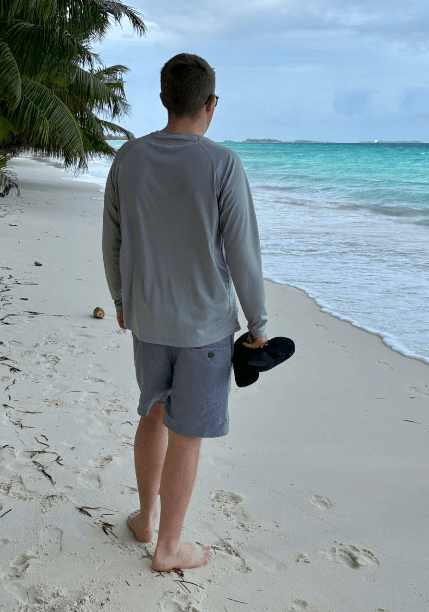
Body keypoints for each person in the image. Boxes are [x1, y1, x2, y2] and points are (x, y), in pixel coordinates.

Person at [102, 53, 269, 572]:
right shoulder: (222, 163)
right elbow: (242, 252)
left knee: (152, 412)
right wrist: (258, 324)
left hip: (148, 318)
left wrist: (122, 302)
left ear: (163, 99)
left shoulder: (128, 158)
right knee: (187, 433)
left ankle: (146, 519)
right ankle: (168, 548)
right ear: (211, 104)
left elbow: (113, 240)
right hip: (205, 326)